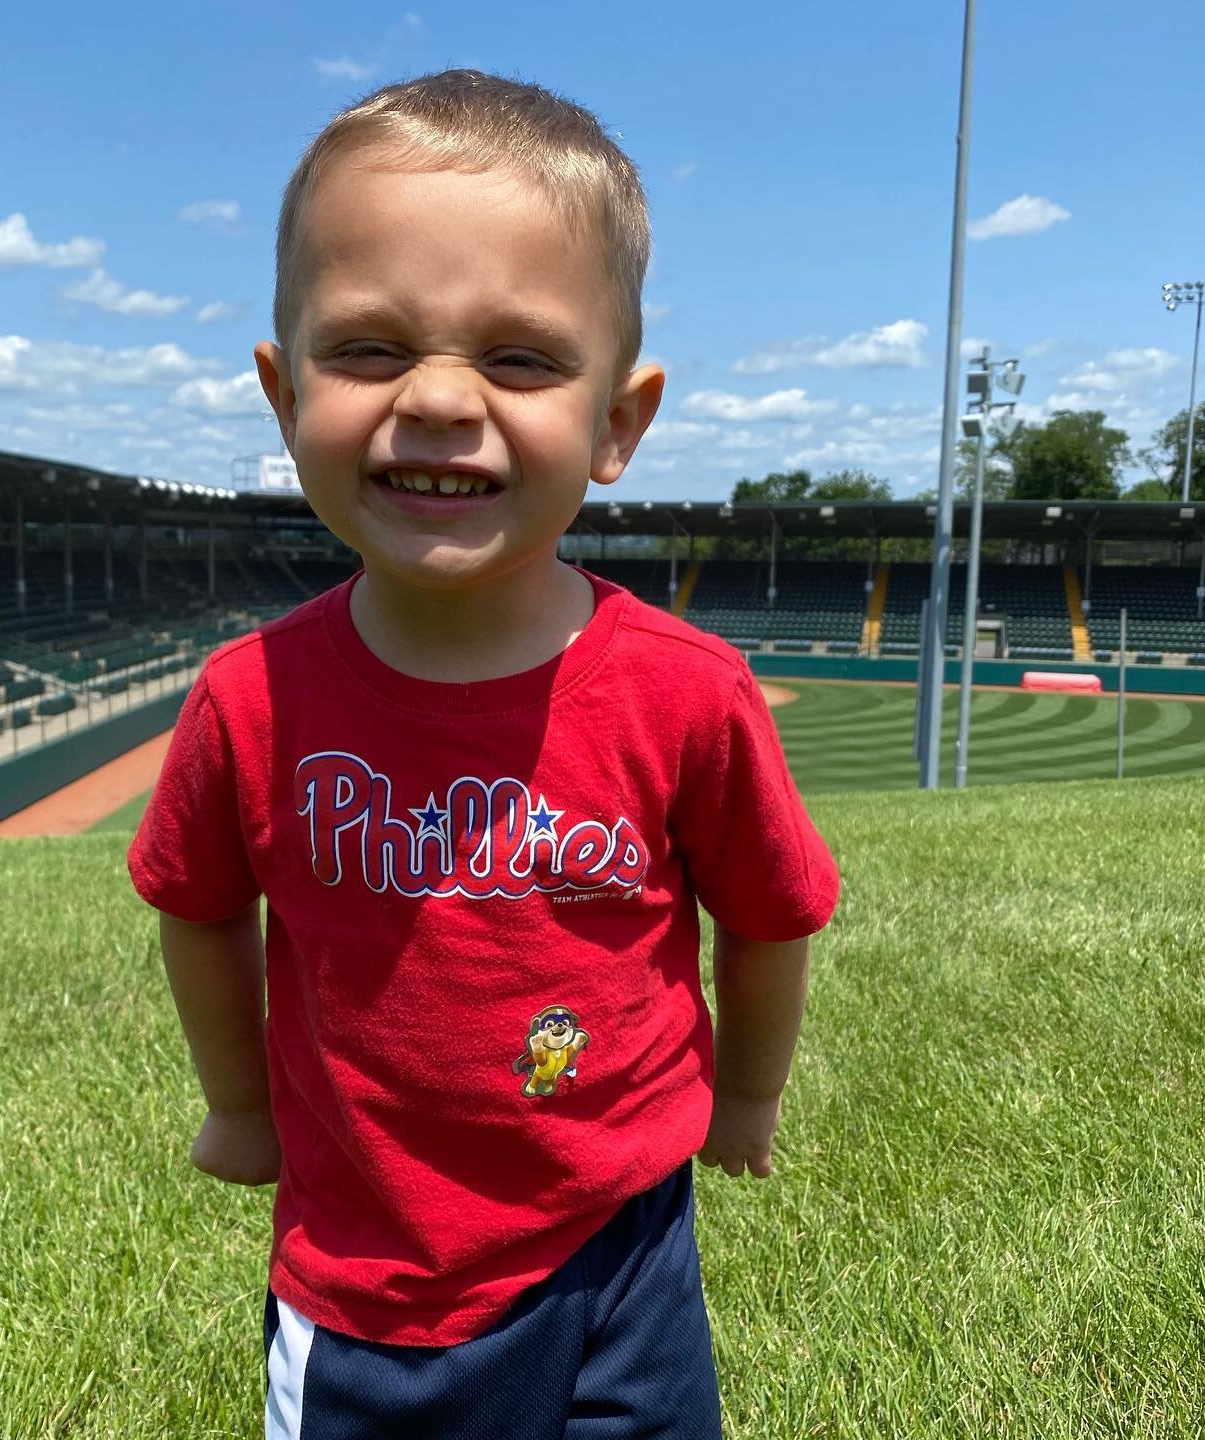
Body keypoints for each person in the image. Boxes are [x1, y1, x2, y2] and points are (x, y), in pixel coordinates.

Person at [127, 68, 839, 1439]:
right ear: (284, 396)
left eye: (520, 358)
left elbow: (767, 919)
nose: (442, 399)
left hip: (626, 1245)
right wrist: (238, 1105)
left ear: (619, 423)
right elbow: (201, 909)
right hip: (365, 1282)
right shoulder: (249, 699)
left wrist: (745, 1095)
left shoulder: (689, 695)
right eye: (371, 350)